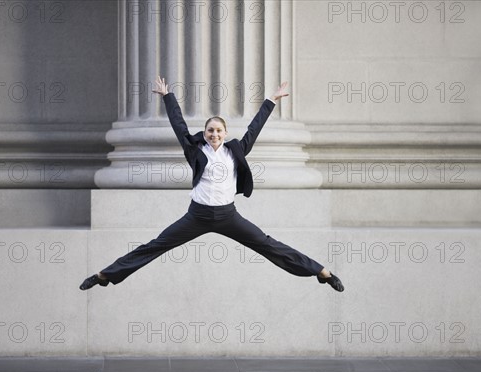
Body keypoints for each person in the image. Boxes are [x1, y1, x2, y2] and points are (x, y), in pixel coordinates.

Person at [80, 76, 344, 292]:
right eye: (210, 131)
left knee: (268, 245)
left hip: (228, 216)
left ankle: (321, 272)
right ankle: (104, 275)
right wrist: (167, 97)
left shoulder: (236, 150)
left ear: (225, 133)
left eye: (219, 130)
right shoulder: (195, 152)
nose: (214, 134)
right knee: (155, 245)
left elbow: (254, 128)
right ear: (205, 135)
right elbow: (179, 126)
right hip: (198, 215)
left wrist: (271, 101)